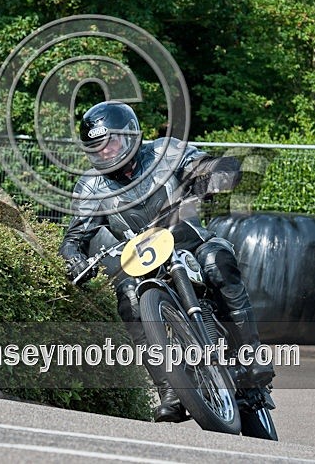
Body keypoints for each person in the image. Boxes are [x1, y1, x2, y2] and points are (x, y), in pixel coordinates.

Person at [59, 101, 274, 423]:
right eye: (97, 147)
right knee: (130, 299)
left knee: (216, 261)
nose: (105, 152)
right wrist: (74, 259)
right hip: (144, 262)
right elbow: (73, 239)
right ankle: (169, 390)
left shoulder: (166, 151)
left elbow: (208, 167)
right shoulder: (90, 186)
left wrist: (213, 178)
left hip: (190, 241)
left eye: (110, 142)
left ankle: (252, 355)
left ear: (130, 135)